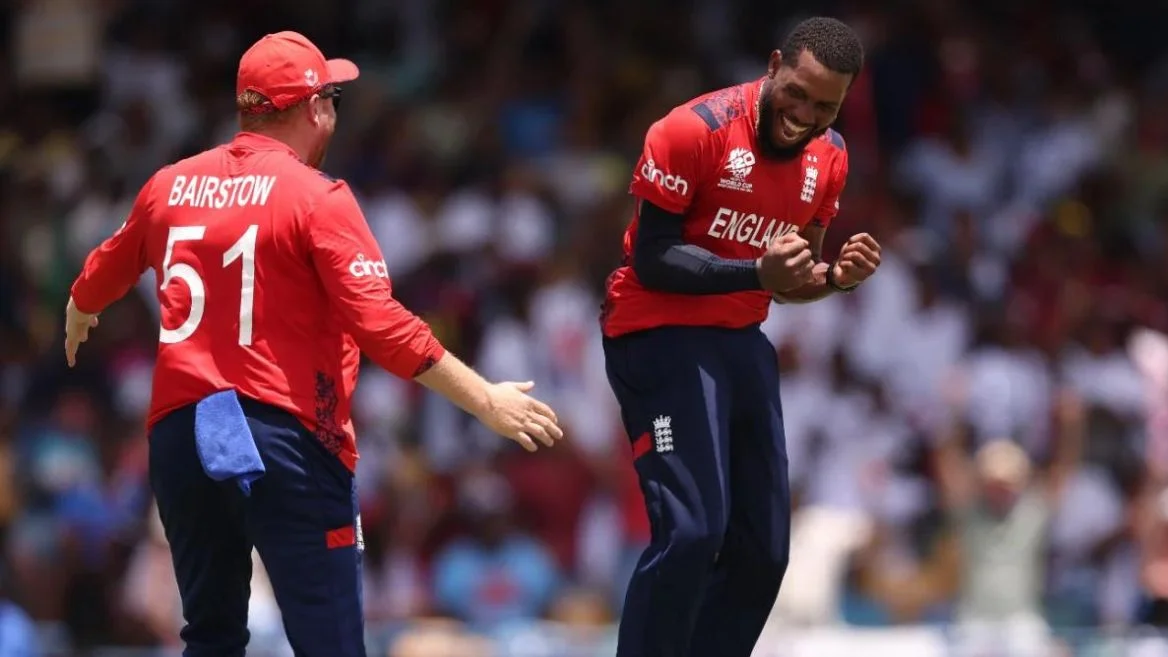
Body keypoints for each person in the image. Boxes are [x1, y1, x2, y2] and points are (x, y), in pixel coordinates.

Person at [63, 31, 563, 657]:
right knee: (330, 644)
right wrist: (485, 399)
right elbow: (380, 324)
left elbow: (105, 267)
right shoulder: (317, 197)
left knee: (210, 638)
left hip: (183, 437)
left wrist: (80, 308)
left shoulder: (169, 185)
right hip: (284, 437)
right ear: (314, 108)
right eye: (331, 97)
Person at [600, 17, 881, 657]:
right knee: (694, 532)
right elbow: (652, 257)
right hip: (656, 332)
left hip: (739, 340)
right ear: (775, 63)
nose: (804, 114)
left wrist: (835, 278)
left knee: (764, 552)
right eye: (797, 92)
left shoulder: (830, 156)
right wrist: (756, 271)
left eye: (825, 105)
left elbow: (792, 282)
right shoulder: (691, 130)